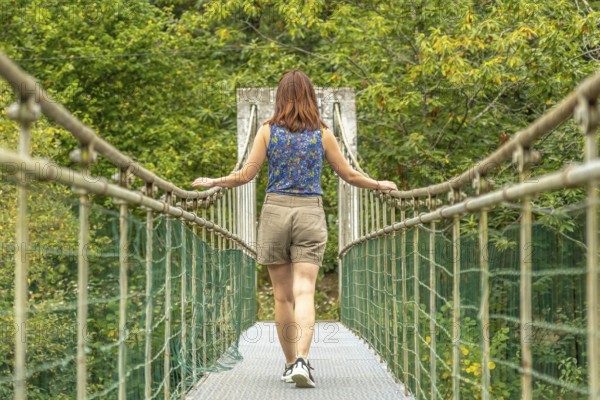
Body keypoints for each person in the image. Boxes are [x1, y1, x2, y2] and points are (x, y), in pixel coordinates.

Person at [191, 70, 397, 388]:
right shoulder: (323, 133)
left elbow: (246, 175)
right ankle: (302, 359)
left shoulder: (266, 131)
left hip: (274, 212)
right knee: (305, 291)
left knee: (282, 297)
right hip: (310, 214)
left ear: (280, 98)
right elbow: (350, 175)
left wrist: (214, 181)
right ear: (311, 97)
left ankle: (289, 364)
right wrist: (379, 184)